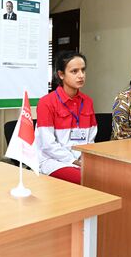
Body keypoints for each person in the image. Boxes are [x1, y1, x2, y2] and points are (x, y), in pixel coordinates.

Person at [35, 51, 97, 184]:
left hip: (81, 159)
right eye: (74, 71)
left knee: (113, 175)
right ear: (61, 74)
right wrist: (73, 161)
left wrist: (83, 158)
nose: (81, 75)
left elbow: (90, 138)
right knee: (89, 179)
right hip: (53, 160)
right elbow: (48, 145)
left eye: (83, 70)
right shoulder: (46, 102)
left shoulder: (87, 101)